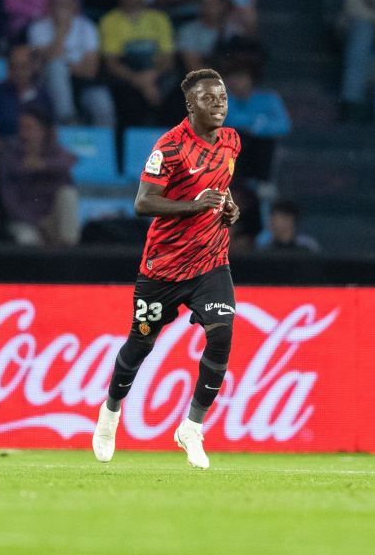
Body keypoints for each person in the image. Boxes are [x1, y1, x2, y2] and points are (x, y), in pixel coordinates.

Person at [92, 68, 242, 470]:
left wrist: (229, 209)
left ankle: (192, 427)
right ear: (190, 105)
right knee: (140, 345)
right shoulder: (170, 147)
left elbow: (221, 191)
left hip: (211, 262)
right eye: (209, 99)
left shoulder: (231, 141)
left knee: (223, 333)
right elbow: (143, 203)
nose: (219, 104)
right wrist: (196, 204)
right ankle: (110, 413)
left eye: (222, 96)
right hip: (162, 268)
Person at [99, 0, 175, 134]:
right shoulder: (109, 21)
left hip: (156, 76)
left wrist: (149, 78)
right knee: (128, 99)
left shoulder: (159, 19)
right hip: (127, 78)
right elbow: (112, 63)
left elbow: (168, 59)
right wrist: (139, 81)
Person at [28, 0, 116, 127]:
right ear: (49, 5)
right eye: (58, 3)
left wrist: (65, 66)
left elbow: (91, 70)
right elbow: (49, 62)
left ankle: (104, 144)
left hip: (83, 83)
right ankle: (68, 123)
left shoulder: (88, 27)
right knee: (56, 69)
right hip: (47, 83)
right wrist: (62, 29)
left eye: (67, 4)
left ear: (75, 5)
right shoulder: (37, 29)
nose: (62, 8)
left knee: (101, 102)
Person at [0, 104, 80, 246]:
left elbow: (68, 161)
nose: (24, 134)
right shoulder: (10, 154)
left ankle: (71, 254)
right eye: (22, 128)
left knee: (68, 194)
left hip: (52, 219)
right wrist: (36, 224)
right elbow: (10, 204)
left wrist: (42, 165)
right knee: (27, 240)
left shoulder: (54, 150)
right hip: (25, 221)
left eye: (29, 128)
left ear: (43, 131)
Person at [0, 44, 54, 154]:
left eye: (23, 66)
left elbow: (51, 131)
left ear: (32, 67)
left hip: (37, 155)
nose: (18, 72)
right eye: (13, 67)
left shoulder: (43, 95)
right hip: (4, 153)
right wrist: (8, 156)